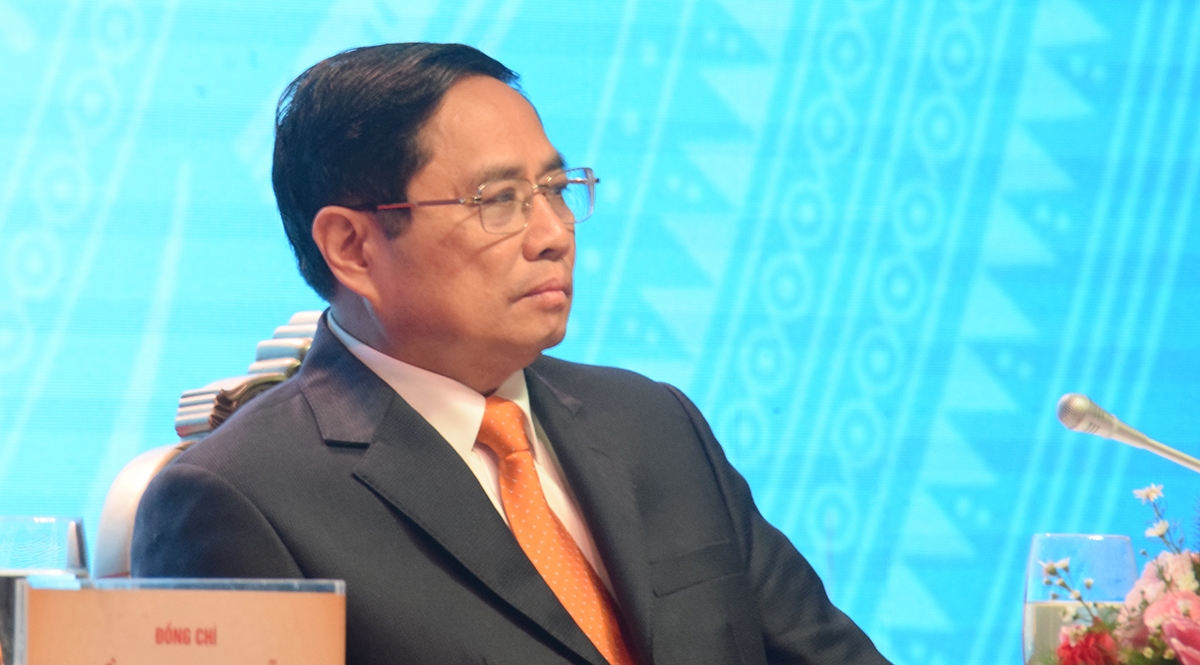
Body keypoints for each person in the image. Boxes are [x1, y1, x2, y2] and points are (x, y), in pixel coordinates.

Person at [132, 43, 891, 665]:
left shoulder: (652, 423)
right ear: (352, 247)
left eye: (556, 188)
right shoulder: (237, 499)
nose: (555, 233)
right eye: (498, 200)